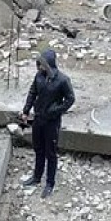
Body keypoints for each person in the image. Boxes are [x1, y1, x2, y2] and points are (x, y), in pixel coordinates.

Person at [19, 49, 75, 198]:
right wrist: (26, 110)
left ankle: (50, 182)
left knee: (51, 153)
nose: (39, 67)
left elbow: (70, 99)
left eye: (42, 64)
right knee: (38, 149)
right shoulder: (39, 77)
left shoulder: (62, 80)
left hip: (52, 121)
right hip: (38, 119)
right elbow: (32, 93)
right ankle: (37, 176)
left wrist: (56, 110)